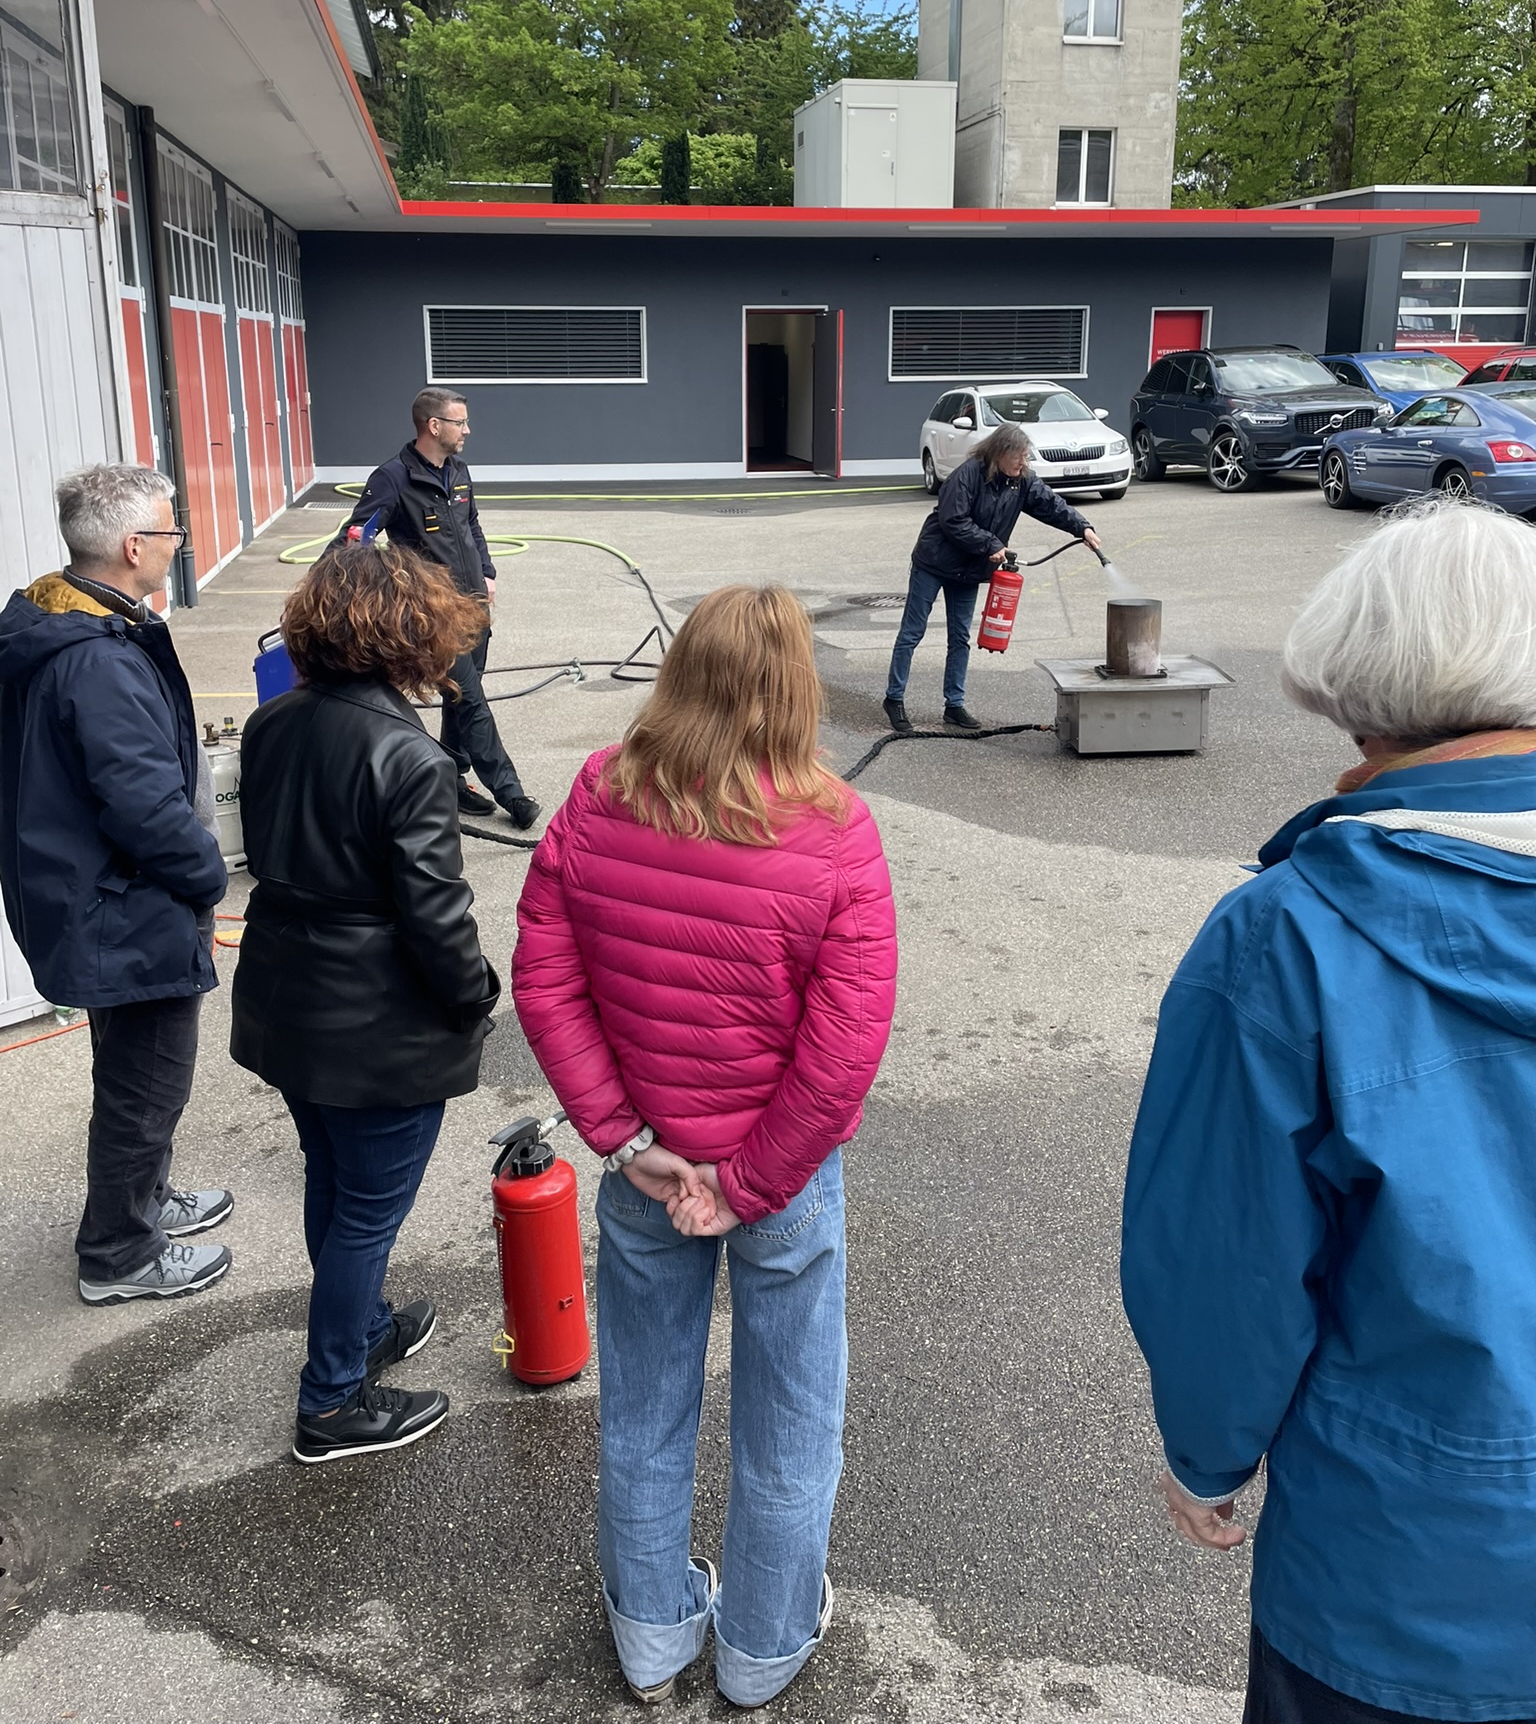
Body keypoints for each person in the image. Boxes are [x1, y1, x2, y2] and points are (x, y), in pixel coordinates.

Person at [1121, 495, 1536, 1724]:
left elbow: (1224, 1262)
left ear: (1355, 689)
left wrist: (1208, 1449)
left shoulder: (1283, 938)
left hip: (1406, 1569)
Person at [513, 584, 897, 1709]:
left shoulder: (597, 794)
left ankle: (650, 1633)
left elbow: (547, 980)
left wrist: (626, 1139)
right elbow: (844, 1046)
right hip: (775, 1181)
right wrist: (752, 1183)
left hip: (651, 1168)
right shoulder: (834, 825)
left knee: (643, 1402)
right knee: (789, 1411)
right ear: (795, 687)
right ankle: (763, 1645)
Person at [231, 543, 500, 1465]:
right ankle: (332, 1400)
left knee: (333, 1181)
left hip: (286, 996)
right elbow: (436, 915)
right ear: (413, 634)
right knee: (366, 1212)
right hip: (372, 1022)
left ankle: (365, 1328)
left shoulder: (274, 724)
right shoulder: (411, 756)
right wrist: (476, 997)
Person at [0, 464, 233, 1306]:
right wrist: (208, 876)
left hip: (92, 900)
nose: (176, 547)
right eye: (170, 534)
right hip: (122, 910)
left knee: (130, 1071)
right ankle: (118, 1252)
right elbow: (144, 806)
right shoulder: (96, 661)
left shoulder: (74, 619)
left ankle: (143, 1201)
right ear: (135, 546)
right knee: (147, 1083)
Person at [338, 388, 539, 829]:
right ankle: (512, 794)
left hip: (474, 607)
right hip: (436, 615)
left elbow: (472, 526)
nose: (468, 430)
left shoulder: (459, 471)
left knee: (460, 698)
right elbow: (352, 541)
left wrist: (487, 571)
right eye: (460, 422)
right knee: (471, 701)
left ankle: (452, 777)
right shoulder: (393, 478)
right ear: (434, 426)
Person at [884, 422, 1101, 734]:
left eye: (1026, 457)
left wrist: (1082, 527)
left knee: (960, 637)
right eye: (1019, 457)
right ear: (1000, 453)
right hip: (934, 562)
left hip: (969, 568)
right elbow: (953, 520)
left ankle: (954, 704)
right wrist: (991, 543)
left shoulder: (1021, 480)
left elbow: (1050, 504)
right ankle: (894, 698)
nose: (1024, 463)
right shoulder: (967, 475)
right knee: (912, 632)